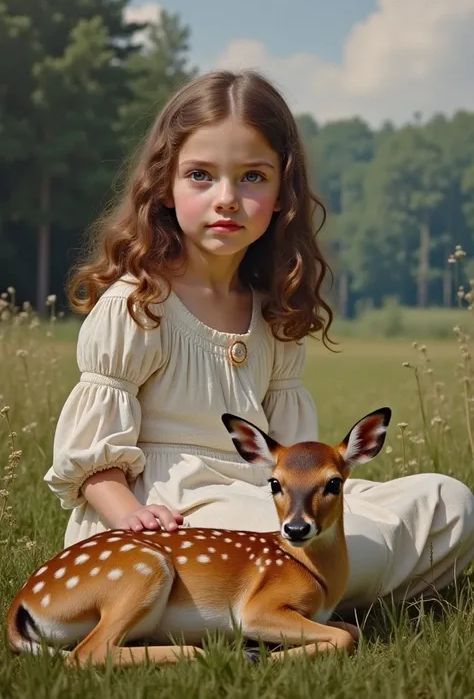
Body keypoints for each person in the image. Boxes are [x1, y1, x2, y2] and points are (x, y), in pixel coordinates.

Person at [44, 69, 474, 614]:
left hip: (267, 501)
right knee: (304, 545)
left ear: (281, 194)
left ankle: (276, 601)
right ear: (164, 187)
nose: (226, 198)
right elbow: (90, 456)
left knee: (449, 504)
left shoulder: (272, 313)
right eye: (200, 175)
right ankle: (288, 599)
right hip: (165, 516)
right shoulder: (141, 304)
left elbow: (295, 464)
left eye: (252, 177)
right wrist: (128, 514)